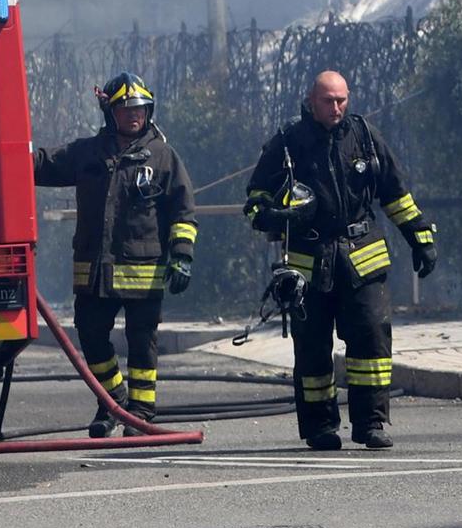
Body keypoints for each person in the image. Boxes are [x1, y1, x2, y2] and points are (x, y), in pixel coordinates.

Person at [244, 70, 436, 451]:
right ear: (311, 102)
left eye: (342, 100)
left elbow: (395, 193)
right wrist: (275, 215)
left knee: (372, 338)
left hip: (362, 258)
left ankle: (371, 423)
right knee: (312, 349)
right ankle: (320, 428)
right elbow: (254, 202)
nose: (336, 108)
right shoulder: (288, 143)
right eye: (329, 101)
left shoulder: (363, 137)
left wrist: (420, 237)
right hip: (308, 266)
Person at [34, 72, 197, 437]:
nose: (134, 114)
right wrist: (3, 154)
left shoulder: (163, 157)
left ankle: (140, 413)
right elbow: (42, 164)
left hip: (144, 272)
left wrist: (182, 255)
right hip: (95, 273)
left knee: (142, 344)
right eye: (125, 108)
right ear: (110, 112)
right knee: (91, 337)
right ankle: (113, 401)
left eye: (139, 108)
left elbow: (183, 211)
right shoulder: (87, 153)